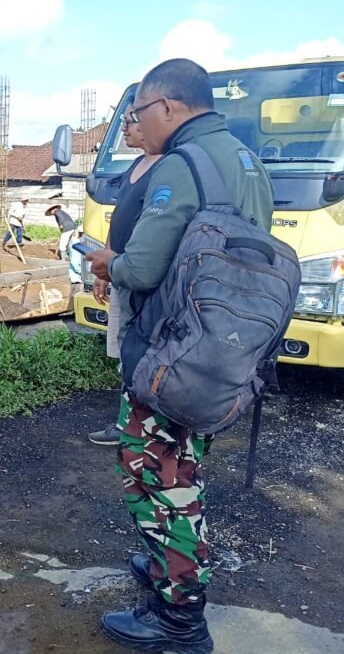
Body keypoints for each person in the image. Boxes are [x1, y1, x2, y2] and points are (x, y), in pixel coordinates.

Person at [86, 59, 273, 654]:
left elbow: (140, 267)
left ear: (167, 107)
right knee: (180, 467)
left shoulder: (182, 165)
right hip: (223, 353)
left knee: (156, 476)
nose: (138, 123)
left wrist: (102, 262)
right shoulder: (247, 161)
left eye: (139, 113)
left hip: (173, 351)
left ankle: (180, 620)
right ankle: (167, 569)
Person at [87, 114, 163, 445]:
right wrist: (105, 267)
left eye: (130, 121)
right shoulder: (135, 167)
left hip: (142, 278)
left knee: (141, 353)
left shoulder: (168, 169)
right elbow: (118, 220)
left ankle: (138, 427)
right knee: (124, 351)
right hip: (120, 271)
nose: (124, 129)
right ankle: (128, 422)